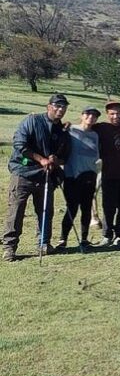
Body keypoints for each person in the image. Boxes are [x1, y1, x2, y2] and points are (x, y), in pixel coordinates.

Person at [2, 94, 71, 262]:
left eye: (63, 107)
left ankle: (44, 243)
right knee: (16, 211)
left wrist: (56, 160)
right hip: (23, 173)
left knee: (46, 211)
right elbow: (20, 145)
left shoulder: (62, 131)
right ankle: (9, 247)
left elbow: (65, 156)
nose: (60, 109)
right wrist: (41, 159)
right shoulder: (32, 121)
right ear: (49, 106)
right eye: (57, 106)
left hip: (46, 176)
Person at [92, 100, 120, 247]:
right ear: (107, 114)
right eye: (112, 113)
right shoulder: (101, 128)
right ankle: (107, 235)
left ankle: (119, 235)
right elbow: (84, 127)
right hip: (109, 175)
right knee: (108, 207)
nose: (115, 116)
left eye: (118, 112)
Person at [56, 107, 100, 252]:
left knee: (86, 209)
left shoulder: (95, 135)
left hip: (89, 176)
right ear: (81, 115)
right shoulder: (70, 130)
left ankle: (85, 239)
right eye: (88, 114)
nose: (91, 117)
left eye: (94, 115)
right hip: (72, 176)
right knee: (72, 208)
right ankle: (63, 239)